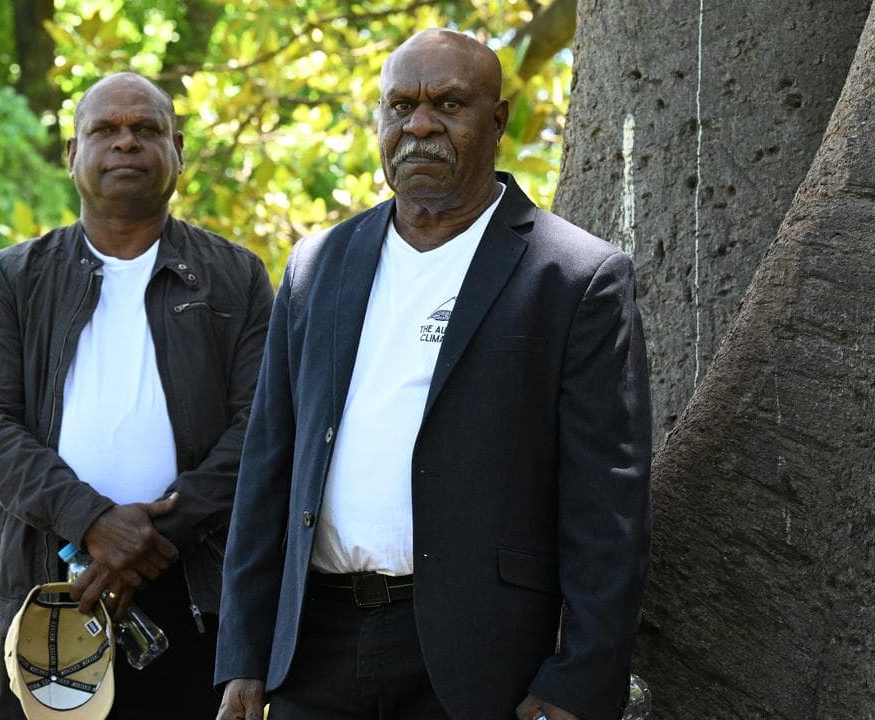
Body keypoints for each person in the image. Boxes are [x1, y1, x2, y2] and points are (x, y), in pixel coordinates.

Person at [214, 29, 651, 720]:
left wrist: (577, 682)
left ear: (498, 121)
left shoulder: (574, 277)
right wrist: (243, 655)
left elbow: (609, 505)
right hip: (312, 651)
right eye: (400, 106)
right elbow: (267, 470)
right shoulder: (316, 265)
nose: (420, 125)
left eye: (449, 104)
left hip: (482, 660)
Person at [0, 72, 274, 720]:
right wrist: (93, 522)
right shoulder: (12, 279)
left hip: (197, 606)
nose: (125, 143)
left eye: (145, 130)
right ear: (73, 154)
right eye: (105, 130)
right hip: (50, 609)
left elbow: (263, 428)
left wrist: (155, 538)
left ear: (177, 149)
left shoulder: (236, 278)